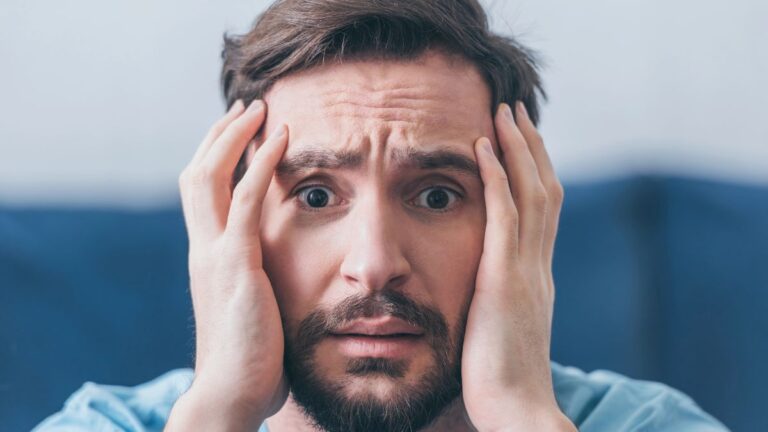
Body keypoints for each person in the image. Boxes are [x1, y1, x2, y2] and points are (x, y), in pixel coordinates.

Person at [34, 0, 729, 431]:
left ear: (519, 219)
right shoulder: (113, 424)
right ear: (230, 224)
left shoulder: (645, 424)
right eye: (313, 194)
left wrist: (520, 417)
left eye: (435, 195)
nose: (373, 264)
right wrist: (219, 412)